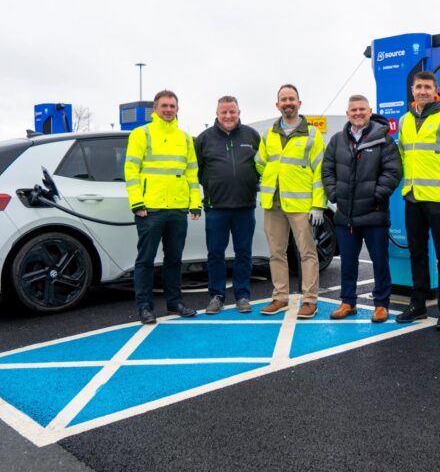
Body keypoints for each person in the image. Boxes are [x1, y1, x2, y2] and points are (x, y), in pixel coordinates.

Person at [395, 71, 440, 330]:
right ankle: (418, 304)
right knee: (416, 253)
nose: (423, 91)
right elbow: (402, 154)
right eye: (418, 87)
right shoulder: (405, 120)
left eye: (427, 87)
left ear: (435, 90)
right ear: (412, 90)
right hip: (413, 197)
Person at [322, 94, 402, 323]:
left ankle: (381, 305)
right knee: (347, 261)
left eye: (362, 109)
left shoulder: (383, 139)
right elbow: (327, 169)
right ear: (348, 113)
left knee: (379, 261)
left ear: (370, 111)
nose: (357, 113)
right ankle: (348, 302)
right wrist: (334, 194)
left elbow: (393, 172)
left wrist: (376, 195)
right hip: (345, 215)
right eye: (353, 110)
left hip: (374, 212)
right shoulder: (337, 140)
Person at [124, 89, 201, 324]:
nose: (168, 110)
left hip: (177, 208)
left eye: (172, 106)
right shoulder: (141, 134)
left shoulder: (186, 138)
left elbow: (191, 172)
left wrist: (195, 204)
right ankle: (145, 307)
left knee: (174, 260)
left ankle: (174, 302)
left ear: (177, 109)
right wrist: (137, 202)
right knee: (145, 260)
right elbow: (131, 170)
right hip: (150, 209)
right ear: (155, 109)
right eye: (164, 105)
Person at [255, 84, 326, 319]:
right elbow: (260, 162)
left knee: (307, 253)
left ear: (299, 103)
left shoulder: (312, 135)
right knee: (276, 253)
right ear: (278, 105)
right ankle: (280, 297)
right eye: (283, 99)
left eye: (291, 99)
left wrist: (318, 205)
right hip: (273, 203)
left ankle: (309, 300)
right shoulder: (269, 134)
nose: (288, 103)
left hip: (301, 205)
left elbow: (320, 172)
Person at [195, 96, 261, 315]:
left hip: (245, 206)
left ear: (239, 112)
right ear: (217, 113)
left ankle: (243, 295)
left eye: (232, 111)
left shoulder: (252, 136)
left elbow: (261, 166)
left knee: (244, 253)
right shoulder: (204, 139)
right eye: (224, 112)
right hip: (216, 208)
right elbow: (198, 171)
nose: (228, 116)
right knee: (215, 254)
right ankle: (216, 296)